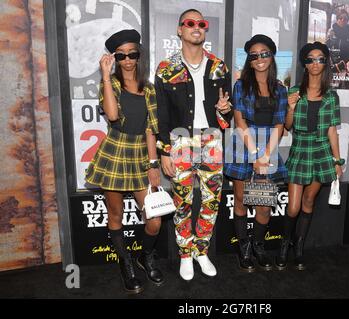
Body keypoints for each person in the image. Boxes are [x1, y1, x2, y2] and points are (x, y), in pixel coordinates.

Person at [154, 9, 232, 281]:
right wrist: (164, 150)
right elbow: (160, 114)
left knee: (211, 201)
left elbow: (227, 113)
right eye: (190, 23)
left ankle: (202, 251)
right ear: (180, 30)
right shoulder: (166, 68)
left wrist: (224, 110)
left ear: (205, 30)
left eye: (201, 23)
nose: (196, 27)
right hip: (179, 140)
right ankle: (185, 255)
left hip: (211, 140)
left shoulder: (219, 66)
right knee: (183, 203)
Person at [85, 29, 164, 293]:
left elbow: (151, 129)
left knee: (154, 219)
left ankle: (144, 256)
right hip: (115, 152)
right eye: (122, 55)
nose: (128, 60)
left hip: (141, 154)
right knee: (115, 214)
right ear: (115, 58)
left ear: (139, 56)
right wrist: (106, 77)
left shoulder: (150, 89)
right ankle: (126, 264)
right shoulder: (111, 84)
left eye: (133, 54)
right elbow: (112, 115)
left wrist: (154, 165)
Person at [275, 42, 344, 271]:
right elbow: (287, 126)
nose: (316, 63)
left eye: (321, 59)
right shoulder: (293, 91)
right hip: (301, 149)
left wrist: (337, 161)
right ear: (305, 64)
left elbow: (332, 130)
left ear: (325, 64)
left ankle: (299, 247)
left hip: (322, 151)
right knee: (293, 207)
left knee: (308, 202)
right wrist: (291, 108)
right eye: (311, 59)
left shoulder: (332, 96)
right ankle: (285, 243)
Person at [223, 34, 288, 272]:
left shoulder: (280, 90)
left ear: (271, 56)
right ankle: (244, 248)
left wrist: (266, 156)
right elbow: (239, 121)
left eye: (264, 53)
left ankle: (258, 245)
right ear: (249, 61)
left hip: (268, 146)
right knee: (240, 200)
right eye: (254, 56)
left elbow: (280, 124)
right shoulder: (241, 85)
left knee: (263, 205)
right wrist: (254, 155)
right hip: (244, 144)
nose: (259, 58)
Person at [325, 9, 349, 89]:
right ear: (337, 19)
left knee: (341, 89)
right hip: (330, 67)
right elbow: (326, 49)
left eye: (345, 18)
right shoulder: (330, 33)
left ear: (347, 21)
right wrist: (331, 64)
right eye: (340, 18)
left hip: (342, 68)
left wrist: (340, 65)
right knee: (327, 91)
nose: (342, 20)